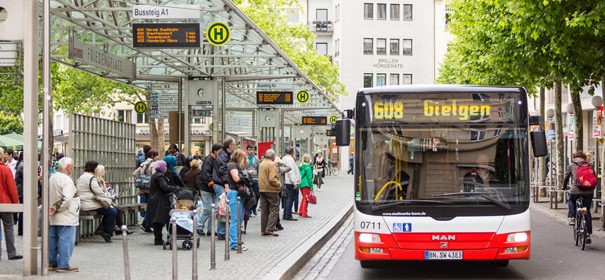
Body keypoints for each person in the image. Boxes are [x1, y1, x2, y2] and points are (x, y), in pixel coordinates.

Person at [48, 157, 79, 272]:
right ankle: (64, 264)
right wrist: (56, 207)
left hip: (53, 216)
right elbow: (67, 198)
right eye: (72, 165)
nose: (73, 168)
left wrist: (52, 208)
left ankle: (51, 261)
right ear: (68, 167)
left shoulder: (52, 177)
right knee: (66, 240)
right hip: (66, 215)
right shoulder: (66, 179)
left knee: (53, 239)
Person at [76, 160, 117, 243]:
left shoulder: (81, 177)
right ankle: (105, 231)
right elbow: (99, 191)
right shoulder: (91, 178)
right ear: (94, 168)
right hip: (89, 204)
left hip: (82, 203)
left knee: (111, 210)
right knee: (112, 211)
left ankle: (103, 229)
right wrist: (108, 198)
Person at [563, 150, 594, 244]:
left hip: (576, 190)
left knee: (571, 200)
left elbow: (566, 178)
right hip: (588, 191)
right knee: (586, 210)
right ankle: (588, 234)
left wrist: (564, 187)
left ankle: (572, 217)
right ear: (584, 157)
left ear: (575, 157)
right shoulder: (589, 165)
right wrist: (591, 188)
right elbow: (594, 178)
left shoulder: (572, 165)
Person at [147, 160, 180, 245]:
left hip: (154, 199)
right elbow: (164, 187)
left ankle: (158, 239)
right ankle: (158, 239)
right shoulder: (160, 176)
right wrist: (175, 188)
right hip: (159, 200)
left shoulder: (155, 175)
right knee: (159, 220)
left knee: (157, 220)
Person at [94, 165, 133, 235]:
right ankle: (118, 228)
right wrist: (103, 184)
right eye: (103, 170)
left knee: (118, 209)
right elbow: (104, 194)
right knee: (116, 210)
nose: (105, 172)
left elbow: (109, 194)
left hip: (106, 201)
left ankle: (118, 227)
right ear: (100, 172)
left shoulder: (103, 181)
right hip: (101, 203)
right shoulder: (97, 181)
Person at [212, 137, 237, 240]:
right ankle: (221, 232)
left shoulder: (224, 155)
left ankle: (221, 231)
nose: (235, 146)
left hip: (220, 183)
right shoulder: (223, 156)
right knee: (223, 208)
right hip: (221, 184)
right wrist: (226, 184)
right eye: (234, 144)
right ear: (230, 145)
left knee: (223, 207)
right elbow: (223, 171)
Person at [0, 147, 22, 260]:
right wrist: (15, 203)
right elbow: (12, 188)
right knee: (8, 227)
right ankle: (11, 253)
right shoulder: (6, 169)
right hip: (5, 203)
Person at [226, 149, 250, 251]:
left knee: (239, 219)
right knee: (235, 220)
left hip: (240, 194)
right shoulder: (232, 165)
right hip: (235, 193)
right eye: (244, 158)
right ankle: (234, 243)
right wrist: (246, 173)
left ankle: (237, 240)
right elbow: (236, 178)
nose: (245, 161)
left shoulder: (238, 167)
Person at [197, 143, 221, 236]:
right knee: (207, 208)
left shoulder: (216, 159)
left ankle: (211, 229)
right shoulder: (209, 159)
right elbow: (205, 173)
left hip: (213, 187)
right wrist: (211, 182)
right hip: (207, 187)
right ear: (215, 151)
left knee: (214, 209)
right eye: (219, 151)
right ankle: (199, 226)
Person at [133, 149, 159, 232]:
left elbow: (135, 174)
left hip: (143, 188)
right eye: (156, 155)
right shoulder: (154, 164)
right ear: (152, 156)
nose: (157, 157)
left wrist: (141, 179)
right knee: (151, 207)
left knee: (148, 207)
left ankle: (146, 224)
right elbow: (155, 176)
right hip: (150, 188)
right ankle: (145, 224)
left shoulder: (142, 164)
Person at [258, 149, 281, 237]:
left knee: (264, 210)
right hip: (271, 189)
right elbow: (272, 179)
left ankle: (263, 230)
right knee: (274, 209)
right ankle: (270, 229)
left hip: (262, 189)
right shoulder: (271, 164)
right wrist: (278, 184)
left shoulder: (262, 163)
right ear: (273, 156)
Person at [282, 147, 300, 221]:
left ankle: (286, 214)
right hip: (290, 182)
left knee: (287, 199)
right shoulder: (290, 160)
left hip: (287, 181)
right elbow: (291, 171)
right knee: (290, 199)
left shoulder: (284, 158)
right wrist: (294, 182)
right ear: (292, 152)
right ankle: (287, 215)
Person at [298, 154, 314, 218]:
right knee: (306, 198)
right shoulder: (308, 167)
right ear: (308, 159)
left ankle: (300, 211)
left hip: (301, 184)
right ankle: (304, 212)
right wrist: (311, 186)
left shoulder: (300, 166)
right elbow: (309, 177)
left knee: (304, 198)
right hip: (306, 184)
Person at [246, 145, 260, 216]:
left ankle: (254, 207)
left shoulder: (256, 158)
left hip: (255, 179)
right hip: (247, 179)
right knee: (249, 195)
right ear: (247, 150)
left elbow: (259, 168)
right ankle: (249, 210)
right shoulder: (245, 158)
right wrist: (247, 172)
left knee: (257, 195)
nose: (251, 151)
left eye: (252, 150)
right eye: (249, 150)